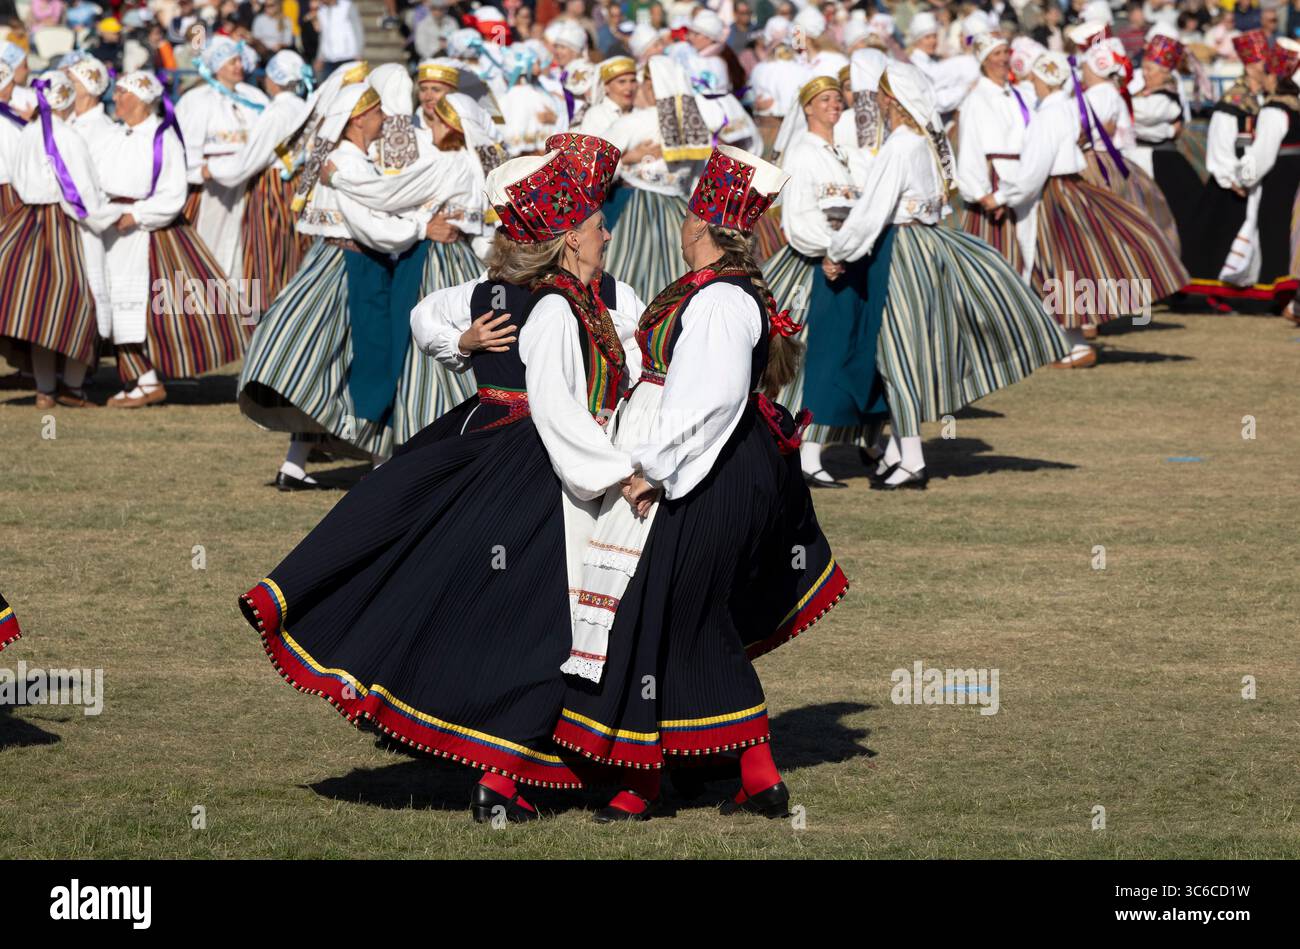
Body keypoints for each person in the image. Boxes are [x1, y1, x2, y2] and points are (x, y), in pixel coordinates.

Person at [239, 134, 634, 820]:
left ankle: (510, 760)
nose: (609, 234)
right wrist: (464, 343)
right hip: (524, 457)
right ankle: (514, 762)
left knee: (487, 603)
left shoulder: (580, 297)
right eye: (599, 224)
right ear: (567, 238)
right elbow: (548, 399)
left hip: (503, 448)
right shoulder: (540, 304)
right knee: (534, 617)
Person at [554, 143, 847, 821]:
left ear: (701, 229)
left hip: (708, 464)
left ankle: (670, 776)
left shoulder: (718, 302)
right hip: (712, 459)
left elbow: (703, 401)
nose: (680, 225)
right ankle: (722, 772)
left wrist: (647, 469)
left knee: (674, 608)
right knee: (674, 610)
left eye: (688, 216)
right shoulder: (714, 292)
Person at [822, 61, 1070, 489]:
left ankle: (912, 459)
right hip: (927, 245)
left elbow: (872, 211)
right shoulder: (926, 143)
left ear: (893, 101)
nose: (879, 103)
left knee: (894, 352)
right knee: (905, 351)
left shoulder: (900, 146)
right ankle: (900, 453)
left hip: (898, 252)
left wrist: (838, 251)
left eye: (883, 96)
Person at [989, 52, 1188, 368]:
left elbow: (1033, 170)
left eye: (1036, 79)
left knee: (1052, 267)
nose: (1033, 85)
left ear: (1043, 80)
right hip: (1072, 188)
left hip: (1053, 193)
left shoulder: (1047, 116)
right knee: (1068, 267)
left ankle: (1071, 345)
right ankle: (1069, 343)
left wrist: (1002, 197)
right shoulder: (1069, 108)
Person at [98, 70, 248, 408]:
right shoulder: (114, 135)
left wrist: (136, 215)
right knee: (117, 305)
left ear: (141, 100)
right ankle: (140, 379)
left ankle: (148, 381)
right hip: (111, 229)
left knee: (148, 309)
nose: (117, 99)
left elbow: (173, 194)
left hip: (146, 234)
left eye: (123, 93)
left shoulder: (162, 138)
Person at [762, 70, 873, 487]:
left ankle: (855, 442)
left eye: (837, 99)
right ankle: (804, 452)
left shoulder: (846, 152)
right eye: (824, 99)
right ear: (807, 107)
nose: (834, 105)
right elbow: (798, 218)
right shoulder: (802, 152)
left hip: (846, 259)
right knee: (812, 356)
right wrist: (829, 249)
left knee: (845, 351)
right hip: (815, 264)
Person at [0, 71, 117, 409]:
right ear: (65, 99)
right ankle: (74, 387)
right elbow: (80, 193)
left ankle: (44, 389)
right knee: (80, 303)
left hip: (27, 223)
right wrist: (105, 217)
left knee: (40, 308)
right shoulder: (67, 137)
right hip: (64, 226)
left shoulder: (28, 133)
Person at [1186, 31, 1300, 312]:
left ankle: (1273, 290)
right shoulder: (1240, 103)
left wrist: (1245, 176)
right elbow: (1223, 146)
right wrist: (1234, 177)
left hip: (1267, 179)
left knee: (1273, 232)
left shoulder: (1274, 108)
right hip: (1242, 182)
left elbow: (1260, 154)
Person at [205, 49, 316, 314]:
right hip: (300, 185)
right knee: (293, 252)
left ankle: (269, 316)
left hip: (274, 187)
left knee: (267, 252)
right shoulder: (303, 106)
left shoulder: (277, 113)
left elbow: (249, 160)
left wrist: (212, 168)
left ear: (274, 79)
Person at [603, 55, 713, 302]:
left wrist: (626, 160)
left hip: (632, 205)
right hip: (680, 207)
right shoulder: (692, 125)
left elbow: (598, 166)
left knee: (622, 271)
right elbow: (699, 175)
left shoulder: (634, 122)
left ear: (651, 85)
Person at [177, 35, 270, 280]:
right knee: (210, 237)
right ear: (217, 66)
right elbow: (186, 142)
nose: (238, 66)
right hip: (211, 186)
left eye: (239, 60)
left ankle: (238, 296)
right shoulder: (197, 100)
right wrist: (198, 171)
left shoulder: (254, 97)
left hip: (249, 181)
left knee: (243, 240)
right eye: (232, 62)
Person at [958, 30, 1035, 279]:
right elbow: (970, 148)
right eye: (996, 54)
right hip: (994, 178)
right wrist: (982, 193)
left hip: (1024, 176)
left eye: (1005, 52)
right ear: (984, 60)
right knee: (1000, 254)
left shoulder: (1020, 94)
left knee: (1030, 247)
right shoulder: (976, 100)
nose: (1003, 59)